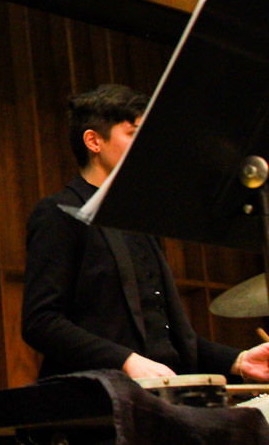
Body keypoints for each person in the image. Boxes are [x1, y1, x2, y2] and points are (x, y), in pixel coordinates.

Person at [21, 83, 269, 382]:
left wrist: (239, 360)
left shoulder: (137, 221)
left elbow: (165, 337)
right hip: (99, 397)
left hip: (158, 395)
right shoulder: (58, 212)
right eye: (133, 133)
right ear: (94, 141)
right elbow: (41, 321)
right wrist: (125, 361)